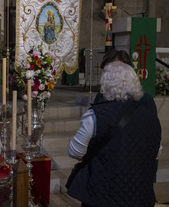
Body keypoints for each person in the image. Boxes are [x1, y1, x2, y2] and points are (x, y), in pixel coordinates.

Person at [67, 61, 161, 207]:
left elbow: (75, 152)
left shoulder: (95, 115)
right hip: (140, 195)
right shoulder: (151, 117)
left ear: (105, 85)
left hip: (102, 195)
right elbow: (156, 152)